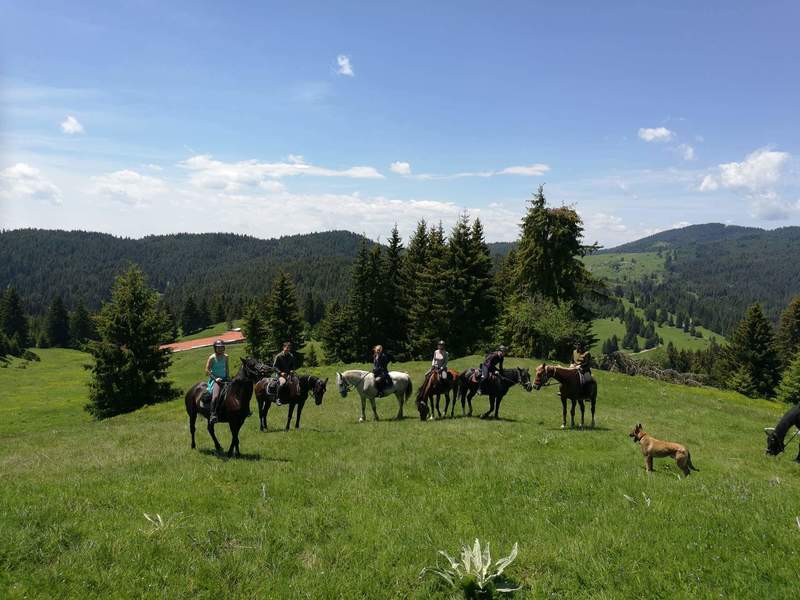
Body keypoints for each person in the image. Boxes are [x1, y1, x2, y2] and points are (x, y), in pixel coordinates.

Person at [207, 340, 230, 424]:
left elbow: (226, 367)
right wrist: (215, 379)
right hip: (216, 380)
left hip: (225, 378)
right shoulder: (212, 357)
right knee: (216, 396)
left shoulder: (226, 356)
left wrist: (228, 377)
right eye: (218, 347)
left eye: (221, 347)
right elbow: (207, 370)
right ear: (215, 348)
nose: (220, 349)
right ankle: (213, 414)